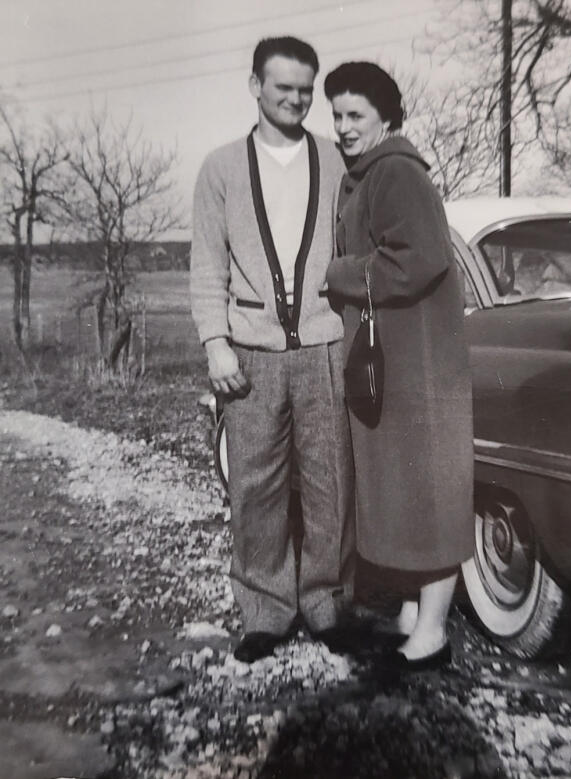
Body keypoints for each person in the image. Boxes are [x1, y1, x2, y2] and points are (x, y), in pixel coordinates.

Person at [190, 37, 355, 664]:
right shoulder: (221, 168)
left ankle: (327, 603)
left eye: (305, 88)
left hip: (325, 346)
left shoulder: (337, 162)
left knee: (330, 483)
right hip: (250, 355)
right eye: (282, 86)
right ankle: (265, 610)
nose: (295, 98)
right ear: (255, 85)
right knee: (254, 487)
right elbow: (207, 266)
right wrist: (216, 344)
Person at [323, 62, 474, 670]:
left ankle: (432, 631)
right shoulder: (365, 175)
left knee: (430, 496)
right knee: (409, 493)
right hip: (398, 358)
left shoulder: (396, 173)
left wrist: (338, 276)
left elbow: (420, 259)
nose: (343, 127)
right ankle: (416, 615)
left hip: (421, 365)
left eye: (355, 115)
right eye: (336, 115)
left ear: (387, 118)